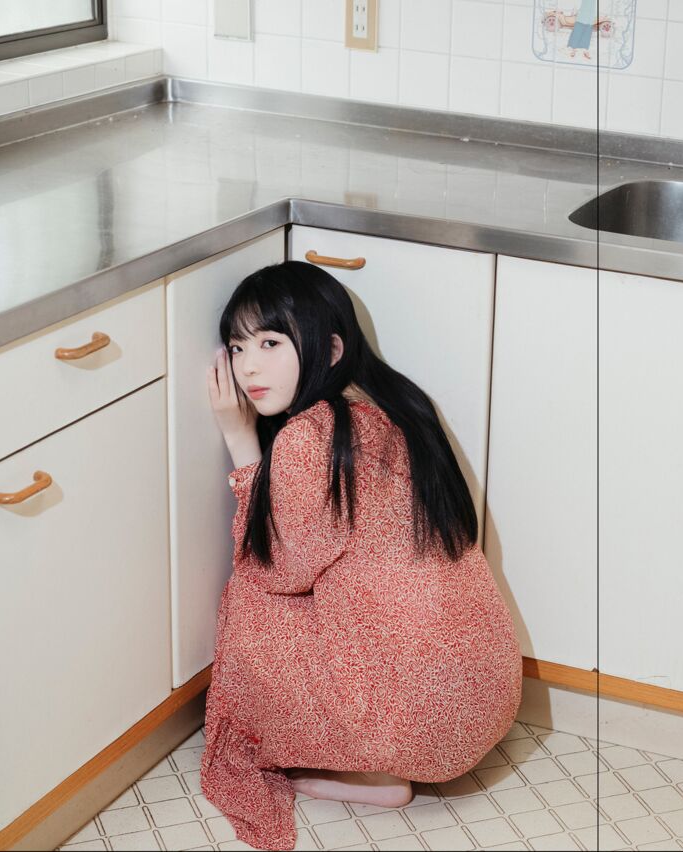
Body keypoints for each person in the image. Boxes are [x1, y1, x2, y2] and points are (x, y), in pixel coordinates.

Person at [198, 261, 523, 851]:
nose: (247, 368)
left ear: (330, 347)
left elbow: (278, 570)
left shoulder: (309, 436)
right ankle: (377, 754)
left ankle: (375, 771)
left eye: (270, 343)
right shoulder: (398, 402)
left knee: (249, 592)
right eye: (237, 347)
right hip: (484, 699)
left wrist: (241, 441)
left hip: (417, 726)